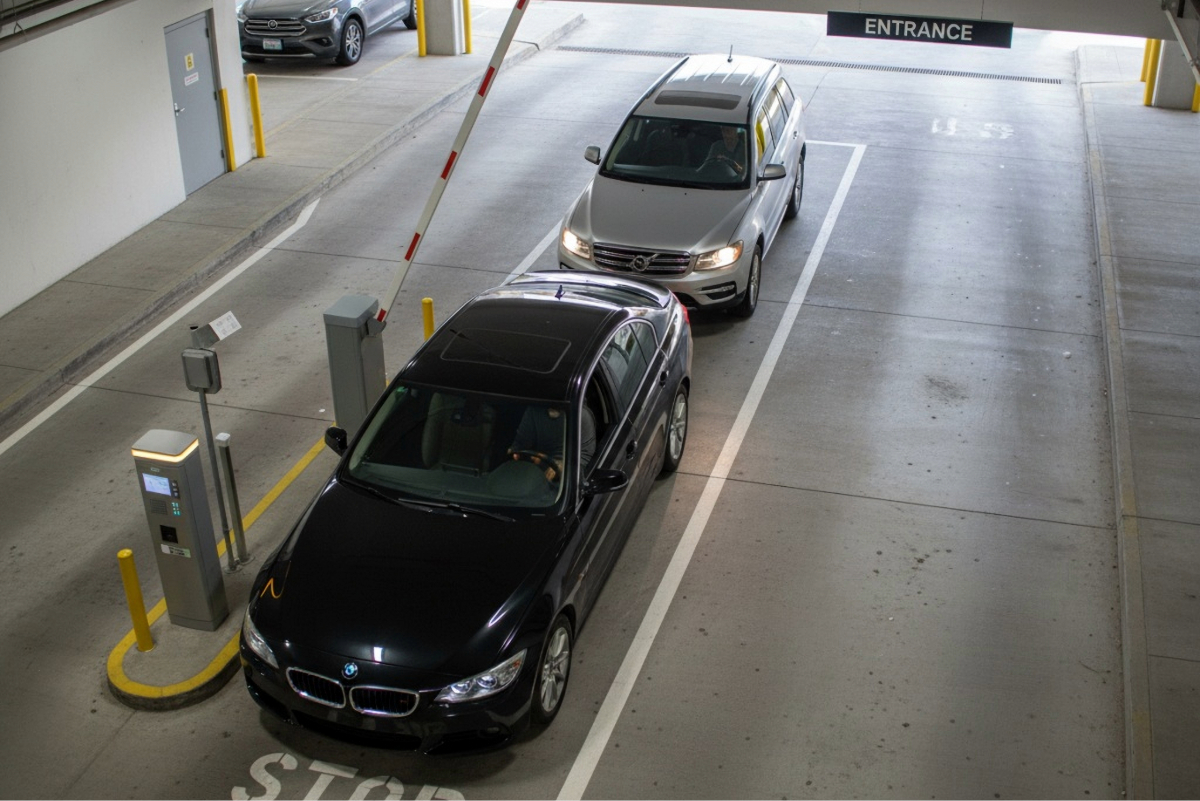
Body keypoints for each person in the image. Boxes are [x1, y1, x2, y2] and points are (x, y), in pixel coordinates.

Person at [508, 404, 597, 482]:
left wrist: (563, 467)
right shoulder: (534, 410)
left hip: (567, 479)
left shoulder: (580, 414)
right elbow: (520, 444)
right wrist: (516, 453)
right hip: (536, 472)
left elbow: (586, 458)